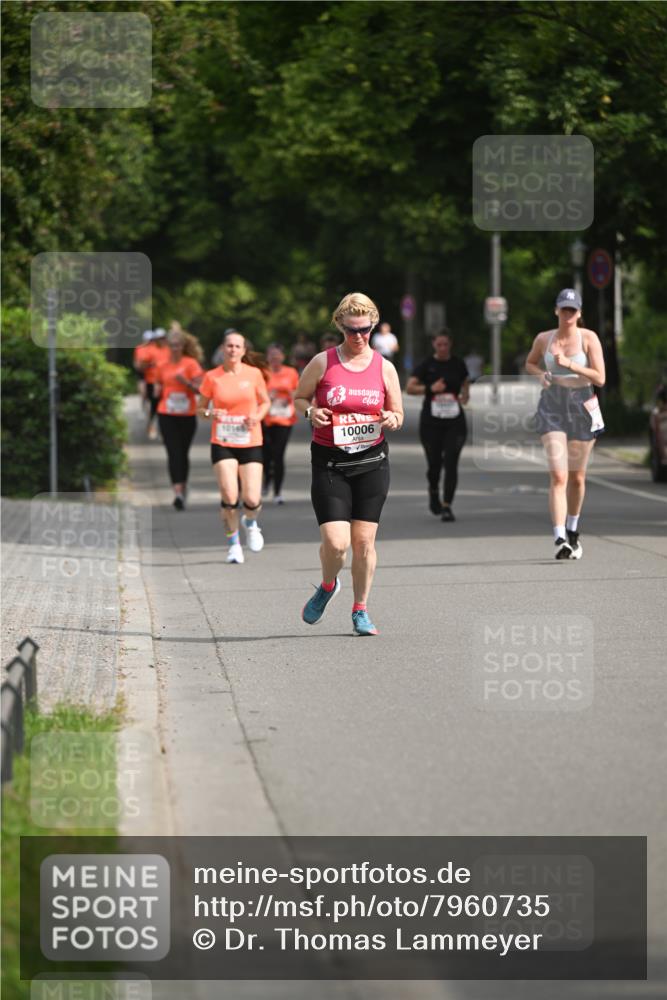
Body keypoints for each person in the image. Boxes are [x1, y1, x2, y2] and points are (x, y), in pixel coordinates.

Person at [294, 292, 403, 636]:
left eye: (365, 330)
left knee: (364, 543)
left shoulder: (384, 367)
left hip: (372, 461)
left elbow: (398, 413)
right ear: (340, 326)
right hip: (330, 462)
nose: (359, 337)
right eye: (352, 330)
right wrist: (312, 412)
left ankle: (361, 610)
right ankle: (328, 586)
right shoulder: (323, 362)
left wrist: (391, 418)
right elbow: (299, 398)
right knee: (337, 543)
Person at [525, 288, 606, 559]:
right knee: (559, 474)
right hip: (552, 404)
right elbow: (530, 363)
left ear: (579, 313)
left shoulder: (589, 338)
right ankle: (559, 536)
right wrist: (542, 375)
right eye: (563, 309)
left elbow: (600, 378)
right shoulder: (544, 338)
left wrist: (571, 364)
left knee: (577, 476)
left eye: (573, 310)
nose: (568, 314)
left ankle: (573, 530)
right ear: (556, 311)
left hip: (583, 403)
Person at [198, 329, 270, 564]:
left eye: (237, 346)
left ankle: (250, 522)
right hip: (223, 441)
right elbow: (200, 409)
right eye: (229, 346)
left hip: (250, 439)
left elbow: (265, 402)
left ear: (244, 350)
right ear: (222, 349)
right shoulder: (212, 376)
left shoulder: (254, 373)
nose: (232, 350)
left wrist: (257, 417)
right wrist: (210, 412)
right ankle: (234, 545)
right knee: (229, 496)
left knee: (251, 498)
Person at [406, 329, 470, 521]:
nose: (442, 348)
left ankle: (447, 505)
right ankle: (434, 491)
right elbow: (410, 387)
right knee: (435, 464)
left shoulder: (458, 363)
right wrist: (429, 388)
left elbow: (465, 381)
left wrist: (465, 395)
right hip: (431, 423)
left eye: (445, 344)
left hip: (455, 422)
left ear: (450, 344)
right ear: (434, 344)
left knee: (451, 463)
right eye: (439, 344)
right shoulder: (427, 365)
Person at [154, 328, 205, 510]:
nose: (175, 348)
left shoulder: (191, 364)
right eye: (172, 345)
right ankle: (177, 492)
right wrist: (157, 390)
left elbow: (201, 390)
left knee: (182, 453)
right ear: (168, 346)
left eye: (178, 345)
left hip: (187, 414)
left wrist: (186, 383)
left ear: (183, 346)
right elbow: (158, 383)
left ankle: (183, 486)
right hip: (166, 413)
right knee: (173, 452)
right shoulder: (162, 364)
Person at [262, 343, 299, 504]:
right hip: (265, 419)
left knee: (278, 455)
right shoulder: (262, 373)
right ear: (267, 357)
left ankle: (277, 492)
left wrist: (290, 394)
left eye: (277, 356)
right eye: (272, 355)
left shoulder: (290, 372)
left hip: (284, 419)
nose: (275, 358)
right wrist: (267, 397)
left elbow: (298, 393)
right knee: (265, 455)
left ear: (283, 357)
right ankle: (266, 480)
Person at [141, 328, 169, 440]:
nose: (162, 340)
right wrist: (151, 365)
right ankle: (150, 428)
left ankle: (163, 431)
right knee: (154, 407)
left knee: (165, 408)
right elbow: (142, 365)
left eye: (164, 338)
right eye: (160, 338)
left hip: (166, 383)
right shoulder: (150, 350)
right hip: (152, 382)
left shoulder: (169, 350)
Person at [133, 330, 154, 407]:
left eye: (151, 340)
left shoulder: (155, 349)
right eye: (148, 339)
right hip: (142, 374)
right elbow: (136, 361)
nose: (149, 341)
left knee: (153, 395)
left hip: (152, 374)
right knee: (143, 393)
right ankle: (144, 405)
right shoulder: (139, 348)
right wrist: (138, 366)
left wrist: (149, 364)